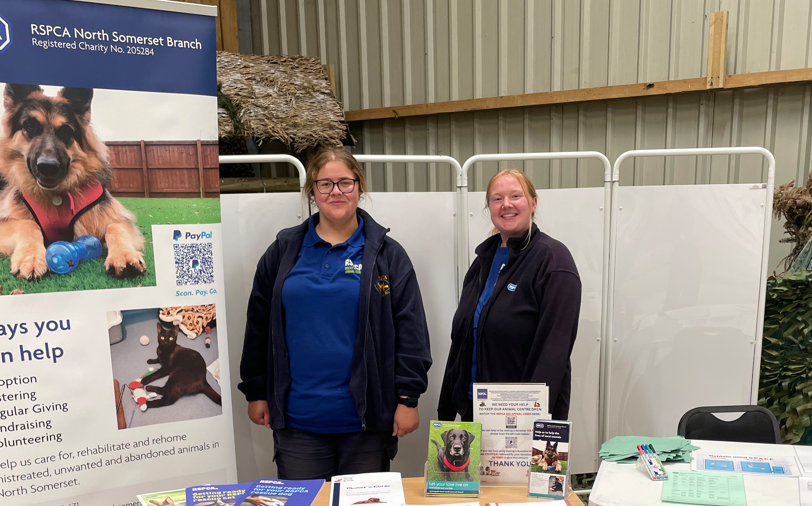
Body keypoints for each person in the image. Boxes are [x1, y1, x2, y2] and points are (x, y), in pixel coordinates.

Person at [239, 147, 431, 481]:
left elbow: (411, 331)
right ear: (312, 191)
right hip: (298, 422)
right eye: (325, 184)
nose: (336, 192)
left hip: (366, 423)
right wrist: (255, 391)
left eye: (345, 182)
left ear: (359, 187)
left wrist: (409, 399)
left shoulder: (387, 255)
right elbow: (258, 325)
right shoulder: (283, 251)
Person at [437, 169, 581, 422]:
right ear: (489, 207)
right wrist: (446, 411)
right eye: (497, 198)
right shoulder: (482, 261)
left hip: (519, 419)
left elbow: (553, 351)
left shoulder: (552, 260)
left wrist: (530, 420)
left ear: (533, 203)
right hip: (473, 411)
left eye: (515, 196)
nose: (506, 204)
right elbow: (461, 340)